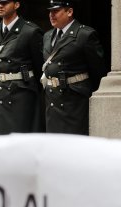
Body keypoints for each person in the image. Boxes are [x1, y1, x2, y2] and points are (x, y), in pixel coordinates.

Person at [41, 0, 107, 135]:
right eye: (50, 11)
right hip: (52, 101)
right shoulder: (47, 36)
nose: (51, 15)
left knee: (73, 146)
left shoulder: (85, 34)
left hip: (74, 102)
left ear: (69, 12)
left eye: (56, 11)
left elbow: (98, 71)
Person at [0, 0, 44, 134]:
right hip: (1, 96)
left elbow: (40, 68)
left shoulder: (30, 31)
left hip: (21, 97)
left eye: (5, 2)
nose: (0, 6)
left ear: (17, 5)